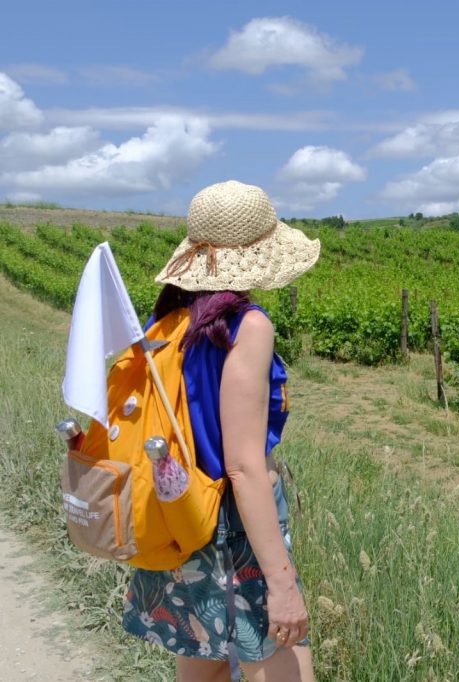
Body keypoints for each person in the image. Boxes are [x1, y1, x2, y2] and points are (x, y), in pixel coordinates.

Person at [121, 180, 320, 681]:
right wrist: (281, 583)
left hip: (182, 516)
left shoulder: (165, 322)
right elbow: (243, 467)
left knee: (201, 669)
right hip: (237, 525)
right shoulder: (247, 326)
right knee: (282, 658)